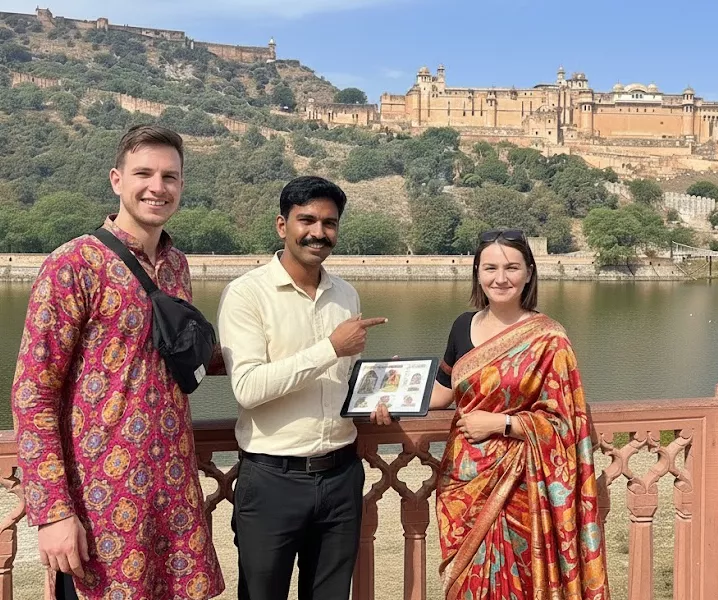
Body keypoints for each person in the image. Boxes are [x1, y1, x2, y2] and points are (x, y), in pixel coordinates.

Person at [11, 125, 224, 599]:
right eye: (144, 173)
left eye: (170, 176)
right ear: (116, 179)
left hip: (172, 494)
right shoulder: (73, 265)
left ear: (181, 186)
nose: (157, 187)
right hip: (101, 500)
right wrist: (53, 513)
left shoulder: (176, 265)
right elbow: (33, 396)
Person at [217, 175, 390, 600]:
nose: (318, 232)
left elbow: (341, 380)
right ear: (282, 225)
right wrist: (329, 348)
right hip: (273, 477)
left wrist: (375, 398)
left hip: (341, 476)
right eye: (306, 220)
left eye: (329, 223)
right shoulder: (247, 294)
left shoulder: (344, 294)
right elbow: (248, 388)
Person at [428, 229, 608, 600]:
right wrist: (395, 392)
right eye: (489, 267)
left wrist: (502, 423)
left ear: (529, 272)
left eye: (511, 267)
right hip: (466, 481)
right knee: (467, 583)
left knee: (523, 582)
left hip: (525, 486)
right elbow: (443, 392)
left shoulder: (549, 339)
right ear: (477, 273)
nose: (500, 278)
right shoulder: (463, 325)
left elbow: (565, 423)